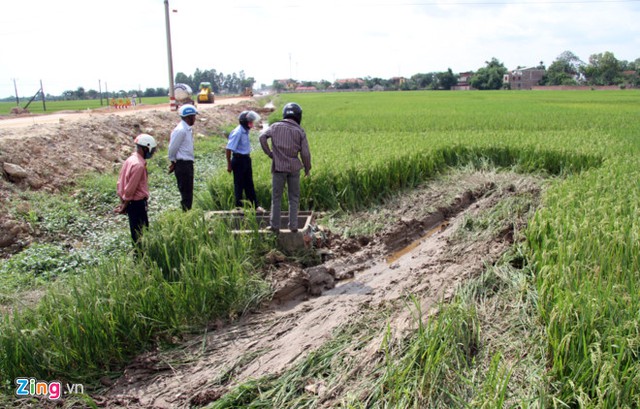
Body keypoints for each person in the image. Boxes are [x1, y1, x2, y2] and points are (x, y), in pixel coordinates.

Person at [259, 102, 312, 233]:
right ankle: (293, 225)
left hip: (278, 168)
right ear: (298, 116)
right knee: (293, 198)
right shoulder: (299, 131)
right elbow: (305, 153)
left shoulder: (275, 126)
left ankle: (275, 226)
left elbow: (262, 137)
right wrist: (307, 168)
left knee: (276, 197)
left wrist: (270, 153)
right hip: (294, 169)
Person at [115, 134, 157, 248]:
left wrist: (123, 202)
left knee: (136, 233)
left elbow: (120, 183)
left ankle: (139, 257)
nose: (152, 153)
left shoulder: (130, 160)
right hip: (136, 204)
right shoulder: (139, 165)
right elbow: (130, 188)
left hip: (132, 204)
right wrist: (125, 205)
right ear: (145, 148)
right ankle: (141, 259)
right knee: (141, 235)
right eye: (151, 150)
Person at [226, 110, 264, 211]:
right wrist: (229, 164)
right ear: (244, 122)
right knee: (239, 184)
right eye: (250, 122)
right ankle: (239, 208)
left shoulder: (245, 131)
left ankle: (255, 206)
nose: (251, 124)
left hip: (246, 159)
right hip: (238, 160)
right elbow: (229, 148)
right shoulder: (238, 132)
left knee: (249, 183)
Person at [168, 104, 198, 211]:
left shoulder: (187, 129)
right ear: (188, 117)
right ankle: (186, 215)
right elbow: (172, 148)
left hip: (187, 164)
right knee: (186, 193)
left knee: (188, 192)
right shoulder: (180, 130)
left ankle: (187, 212)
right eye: (194, 116)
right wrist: (173, 161)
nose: (195, 118)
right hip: (182, 164)